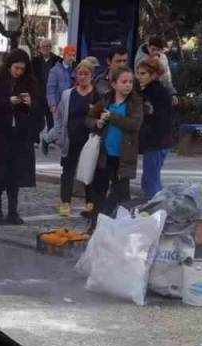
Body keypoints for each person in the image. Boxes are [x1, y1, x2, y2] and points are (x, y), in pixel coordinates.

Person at [0, 49, 42, 225]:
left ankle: (13, 211)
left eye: (22, 68)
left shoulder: (29, 82)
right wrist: (8, 101)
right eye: (16, 68)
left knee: (15, 176)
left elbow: (38, 108)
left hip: (19, 136)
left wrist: (30, 103)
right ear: (9, 65)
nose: (19, 72)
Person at [85, 65, 143, 228]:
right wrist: (97, 122)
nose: (128, 85)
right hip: (104, 154)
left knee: (122, 193)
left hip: (123, 157)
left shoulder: (135, 103)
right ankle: (95, 224)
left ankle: (124, 227)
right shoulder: (106, 100)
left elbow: (134, 124)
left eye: (130, 82)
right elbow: (89, 118)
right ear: (114, 84)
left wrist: (112, 117)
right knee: (99, 191)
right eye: (124, 82)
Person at [55, 59, 98, 217]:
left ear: (92, 76)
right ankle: (66, 201)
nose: (82, 77)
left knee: (89, 170)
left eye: (86, 74)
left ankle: (90, 202)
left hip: (90, 139)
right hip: (71, 138)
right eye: (80, 74)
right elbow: (59, 115)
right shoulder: (68, 94)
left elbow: (102, 113)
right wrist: (58, 135)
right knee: (68, 171)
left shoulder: (96, 94)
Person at [136, 59, 174, 199]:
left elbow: (156, 118)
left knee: (150, 182)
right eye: (138, 73)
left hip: (156, 141)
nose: (139, 76)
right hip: (159, 141)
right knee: (151, 179)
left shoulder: (154, 92)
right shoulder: (154, 90)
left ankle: (157, 210)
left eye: (143, 73)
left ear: (154, 75)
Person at [43, 44, 77, 155]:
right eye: (69, 55)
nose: (72, 57)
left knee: (66, 126)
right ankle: (46, 139)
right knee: (58, 127)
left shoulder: (74, 70)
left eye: (73, 55)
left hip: (69, 104)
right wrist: (52, 104)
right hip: (58, 104)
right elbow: (50, 88)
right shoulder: (55, 70)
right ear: (64, 55)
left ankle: (64, 147)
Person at [34, 38, 61, 141]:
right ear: (40, 48)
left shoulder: (58, 60)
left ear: (51, 47)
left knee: (51, 119)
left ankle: (50, 140)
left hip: (52, 95)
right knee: (37, 118)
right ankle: (36, 139)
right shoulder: (34, 61)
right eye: (43, 46)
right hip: (38, 94)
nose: (45, 48)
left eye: (48, 46)